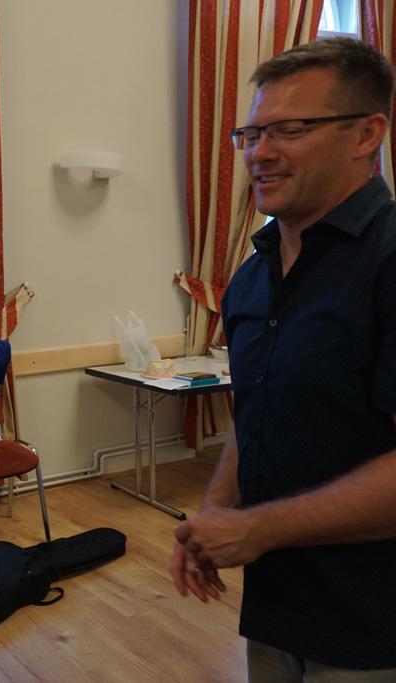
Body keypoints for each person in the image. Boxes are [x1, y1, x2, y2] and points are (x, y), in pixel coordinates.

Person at [170, 38, 396, 679]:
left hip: (375, 626)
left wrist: (260, 528)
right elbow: (259, 412)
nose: (259, 153)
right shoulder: (251, 278)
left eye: (290, 130)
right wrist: (219, 508)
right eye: (252, 133)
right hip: (278, 612)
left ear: (366, 134)